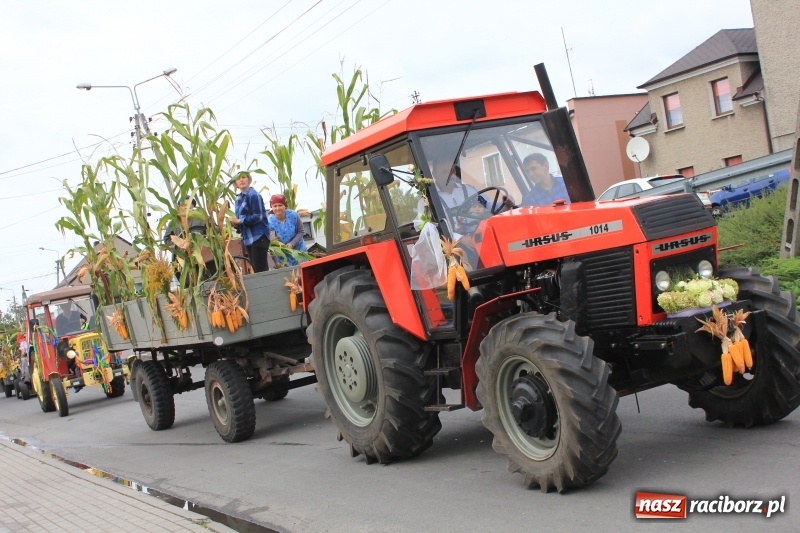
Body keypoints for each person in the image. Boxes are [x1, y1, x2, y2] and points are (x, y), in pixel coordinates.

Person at [230, 172, 272, 273]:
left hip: (259, 237)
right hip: (248, 238)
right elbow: (242, 220)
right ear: (235, 183)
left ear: (249, 180)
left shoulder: (253, 195)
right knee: (255, 269)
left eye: (244, 177)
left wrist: (239, 221)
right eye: (238, 179)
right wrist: (236, 225)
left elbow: (258, 216)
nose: (241, 180)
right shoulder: (238, 198)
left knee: (260, 270)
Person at [268, 194, 308, 267]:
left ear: (285, 206)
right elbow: (272, 244)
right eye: (275, 206)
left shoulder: (293, 215)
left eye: (280, 205)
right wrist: (277, 262)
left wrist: (292, 243)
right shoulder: (270, 221)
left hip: (299, 251)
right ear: (272, 207)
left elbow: (301, 231)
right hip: (284, 256)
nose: (277, 208)